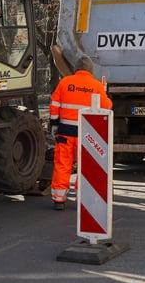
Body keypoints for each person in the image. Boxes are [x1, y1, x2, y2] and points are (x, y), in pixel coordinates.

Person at [48, 55, 112, 210]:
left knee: (63, 165)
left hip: (65, 132)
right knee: (85, 167)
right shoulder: (96, 85)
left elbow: (54, 105)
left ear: (76, 68)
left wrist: (54, 125)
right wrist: (107, 93)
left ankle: (59, 199)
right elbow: (107, 107)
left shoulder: (65, 82)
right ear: (91, 70)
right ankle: (82, 199)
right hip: (86, 134)